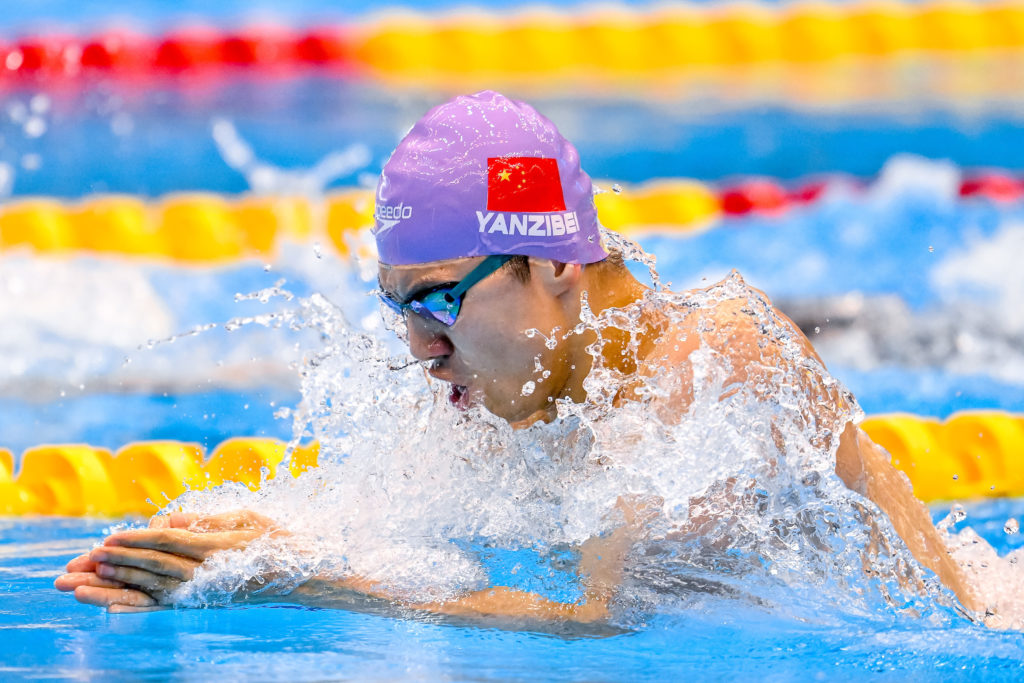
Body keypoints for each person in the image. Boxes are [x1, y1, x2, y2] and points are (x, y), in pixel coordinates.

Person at [55, 90, 986, 622]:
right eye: (397, 307)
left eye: (439, 300)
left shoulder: (707, 370)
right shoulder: (515, 381)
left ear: (549, 261)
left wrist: (307, 577)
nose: (420, 350)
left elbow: (601, 629)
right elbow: (391, 524)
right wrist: (217, 541)